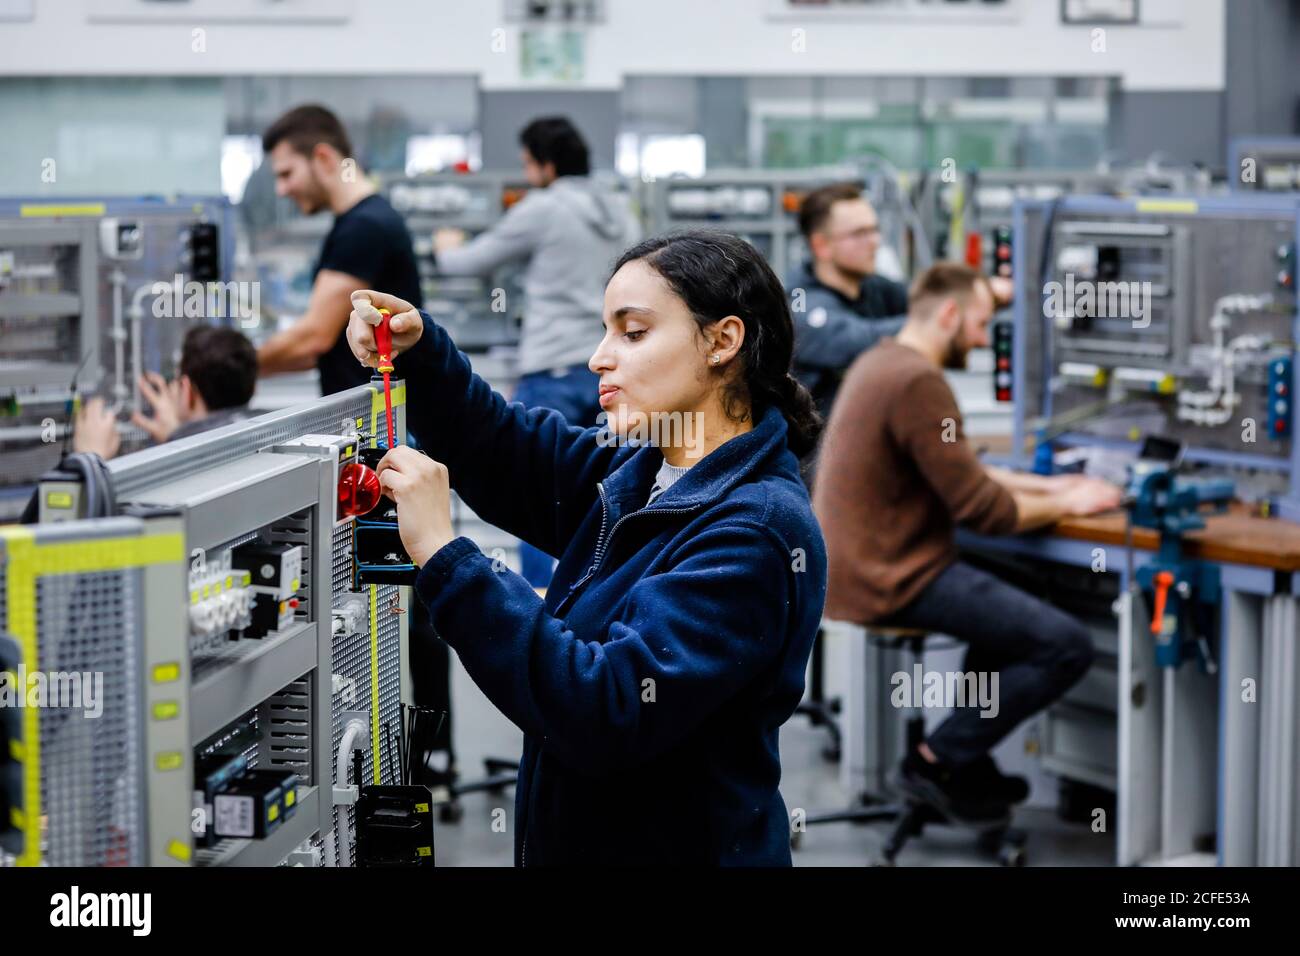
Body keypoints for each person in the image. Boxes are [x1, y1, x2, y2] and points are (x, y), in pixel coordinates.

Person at [344, 230, 827, 865]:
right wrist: (422, 354)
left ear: (723, 341)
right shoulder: (647, 472)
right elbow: (510, 452)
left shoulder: (755, 531)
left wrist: (446, 555)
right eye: (605, 331)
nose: (599, 358)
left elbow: (606, 708)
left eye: (632, 333)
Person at [813, 262, 1121, 825]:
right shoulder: (917, 381)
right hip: (891, 575)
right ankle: (936, 759)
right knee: (1066, 644)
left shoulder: (883, 362)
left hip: (860, 564)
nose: (983, 342)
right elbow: (983, 509)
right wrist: (1068, 504)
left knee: (1021, 593)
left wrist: (1051, 485)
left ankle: (967, 760)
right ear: (950, 315)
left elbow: (963, 469)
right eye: (980, 325)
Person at [431, 116, 640, 588]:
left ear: (546, 165)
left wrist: (446, 246)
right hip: (608, 366)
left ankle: (551, 605)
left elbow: (470, 263)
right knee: (610, 487)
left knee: (542, 488)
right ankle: (599, 596)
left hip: (551, 365)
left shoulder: (543, 207)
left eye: (528, 164)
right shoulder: (621, 211)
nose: (526, 175)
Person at [788, 183, 1014, 422]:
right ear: (821, 246)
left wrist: (984, 294)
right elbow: (856, 339)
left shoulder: (874, 287)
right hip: (820, 454)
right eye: (859, 233)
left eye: (875, 230)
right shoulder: (801, 306)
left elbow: (927, 301)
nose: (874, 242)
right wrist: (939, 321)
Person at [257, 104, 423, 396]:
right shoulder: (360, 221)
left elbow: (313, 338)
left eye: (287, 174)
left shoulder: (364, 227)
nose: (281, 190)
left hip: (378, 427)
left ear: (322, 158)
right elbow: (316, 348)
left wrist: (228, 371)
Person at [72, 325, 258, 457]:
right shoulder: (259, 439)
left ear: (186, 390)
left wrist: (91, 457)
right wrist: (174, 436)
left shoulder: (185, 465)